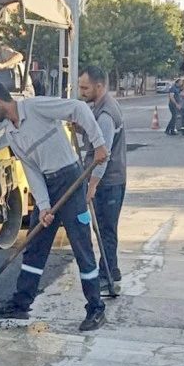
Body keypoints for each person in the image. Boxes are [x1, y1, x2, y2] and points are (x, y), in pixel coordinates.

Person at [0, 81, 110, 331]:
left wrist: (99, 143)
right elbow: (31, 169)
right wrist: (44, 206)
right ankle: (21, 303)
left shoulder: (36, 107)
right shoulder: (11, 132)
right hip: (47, 186)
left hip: (70, 179)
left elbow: (78, 109)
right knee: (35, 245)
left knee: (81, 245)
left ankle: (95, 308)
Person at [78, 65, 127, 295]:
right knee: (106, 230)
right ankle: (112, 270)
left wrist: (93, 185)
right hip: (109, 180)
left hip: (109, 182)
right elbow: (94, 136)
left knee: (106, 230)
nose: (81, 91)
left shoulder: (106, 114)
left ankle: (106, 277)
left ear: (99, 86)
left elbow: (103, 154)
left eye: (85, 87)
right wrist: (80, 129)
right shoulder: (99, 107)